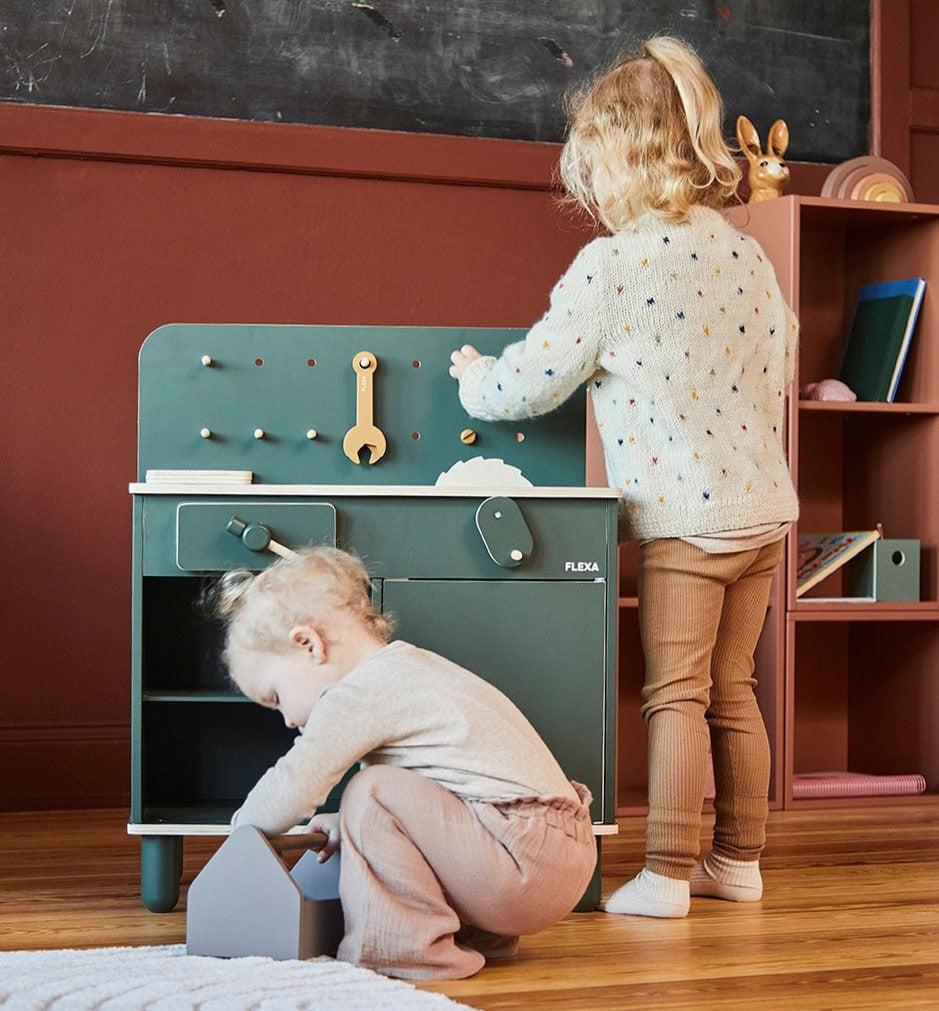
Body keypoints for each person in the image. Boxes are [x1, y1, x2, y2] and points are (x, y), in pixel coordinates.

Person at [449, 36, 799, 919]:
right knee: (734, 691)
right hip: (762, 511)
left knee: (675, 692)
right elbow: (783, 358)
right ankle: (738, 861)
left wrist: (473, 379)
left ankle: (668, 875)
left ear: (619, 161)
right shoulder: (746, 255)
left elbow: (534, 381)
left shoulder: (612, 268)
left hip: (685, 522)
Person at [209, 546, 597, 979]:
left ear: (308, 645)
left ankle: (401, 951)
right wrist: (350, 822)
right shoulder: (410, 669)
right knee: (375, 795)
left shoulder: (358, 692)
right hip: (555, 856)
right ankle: (477, 936)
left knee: (372, 790)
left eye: (277, 697)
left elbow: (296, 782)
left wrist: (241, 831)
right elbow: (442, 793)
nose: (287, 720)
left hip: (524, 857)